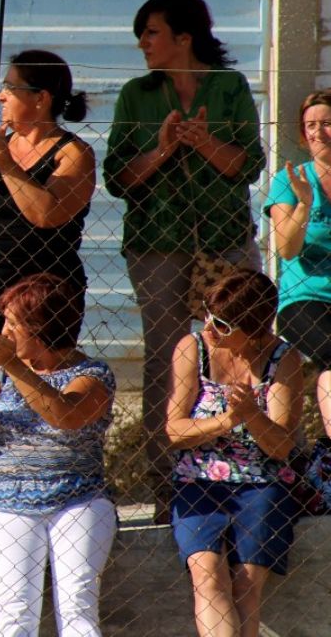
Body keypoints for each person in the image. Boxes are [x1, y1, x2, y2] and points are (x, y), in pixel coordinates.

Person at [103, 0, 266, 517]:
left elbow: (248, 166)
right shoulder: (136, 95)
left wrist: (203, 143)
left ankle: (247, 465)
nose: (142, 44)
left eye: (151, 33)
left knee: (241, 346)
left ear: (184, 37)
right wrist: (165, 148)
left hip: (224, 239)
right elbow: (118, 178)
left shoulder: (229, 89)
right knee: (166, 358)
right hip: (158, 242)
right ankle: (167, 480)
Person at [0, 273, 116, 637]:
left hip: (79, 498)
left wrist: (10, 365)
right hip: (6, 502)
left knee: (78, 606)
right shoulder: (5, 374)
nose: (3, 333)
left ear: (43, 327)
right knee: (15, 611)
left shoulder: (91, 374)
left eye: (13, 323)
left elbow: (65, 416)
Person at [165, 270, 304, 637]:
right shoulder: (192, 348)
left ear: (254, 326)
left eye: (223, 324)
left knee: (245, 584)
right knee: (208, 578)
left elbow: (281, 445)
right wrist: (228, 420)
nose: (210, 327)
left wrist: (253, 416)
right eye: (209, 316)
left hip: (261, 482)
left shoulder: (283, 359)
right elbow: (175, 431)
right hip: (198, 479)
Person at [0, 49, 95, 337]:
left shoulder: (73, 153)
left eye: (11, 88)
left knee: (38, 378)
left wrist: (8, 167)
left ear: (41, 98)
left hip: (43, 300)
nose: (1, 96)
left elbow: (46, 214)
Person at [265, 90, 331, 440]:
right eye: (310, 125)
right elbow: (287, 249)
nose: (318, 132)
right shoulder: (288, 181)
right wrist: (304, 205)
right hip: (305, 298)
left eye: (327, 123)